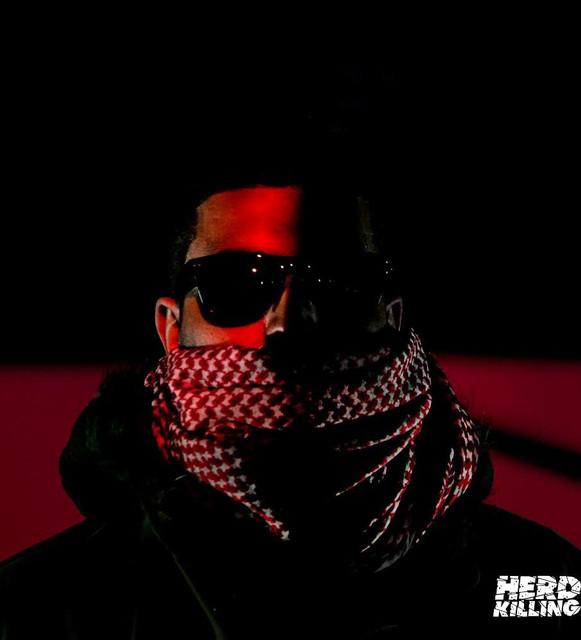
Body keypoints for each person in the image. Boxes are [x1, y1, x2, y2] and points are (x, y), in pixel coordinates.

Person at [1, 176, 580, 638]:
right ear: (171, 330)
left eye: (337, 283)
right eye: (234, 283)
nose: (286, 321)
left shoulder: (545, 584)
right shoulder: (36, 610)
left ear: (392, 319)